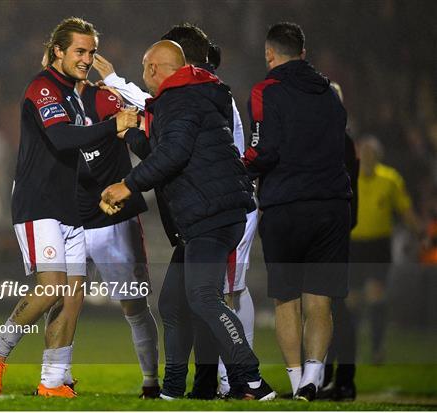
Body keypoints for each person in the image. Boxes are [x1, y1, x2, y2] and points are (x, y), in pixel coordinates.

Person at [101, 40, 276, 401]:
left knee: (202, 297)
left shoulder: (178, 98)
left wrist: (127, 185)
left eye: (146, 69)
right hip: (206, 215)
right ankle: (174, 389)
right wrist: (131, 134)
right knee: (173, 304)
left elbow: (173, 154)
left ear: (152, 69)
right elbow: (166, 150)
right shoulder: (193, 94)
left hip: (210, 214)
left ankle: (252, 378)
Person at [0, 17, 138, 398]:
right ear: (58, 51)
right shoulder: (43, 88)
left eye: (91, 52)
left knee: (72, 295)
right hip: (38, 204)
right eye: (80, 51)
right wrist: (113, 123)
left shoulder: (73, 93)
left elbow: (82, 148)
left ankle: (53, 380)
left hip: (70, 206)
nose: (87, 59)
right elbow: (62, 138)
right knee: (51, 289)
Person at [242, 22, 352, 401]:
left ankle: (296, 383)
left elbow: (262, 150)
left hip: (286, 205)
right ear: (303, 53)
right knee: (320, 299)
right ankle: (313, 378)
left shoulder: (265, 90)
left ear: (270, 54)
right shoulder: (330, 93)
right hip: (331, 205)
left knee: (286, 299)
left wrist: (239, 168)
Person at [71, 79, 160, 398]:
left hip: (116, 220)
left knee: (134, 305)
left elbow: (133, 124)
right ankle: (54, 377)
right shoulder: (50, 103)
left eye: (87, 54)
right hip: (71, 221)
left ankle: (151, 381)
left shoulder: (104, 98)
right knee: (62, 302)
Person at [349, 135, 420, 365]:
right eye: (364, 153)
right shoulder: (350, 176)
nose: (367, 158)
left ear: (378, 157)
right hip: (354, 245)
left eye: (372, 154)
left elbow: (405, 210)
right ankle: (353, 350)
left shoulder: (390, 179)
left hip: (379, 245)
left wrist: (421, 233)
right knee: (353, 300)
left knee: (376, 296)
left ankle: (378, 349)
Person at [319, 81, 359, 401]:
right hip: (334, 234)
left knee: (335, 310)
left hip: (332, 236)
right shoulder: (341, 141)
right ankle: (328, 376)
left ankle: (341, 379)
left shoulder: (339, 143)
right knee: (327, 308)